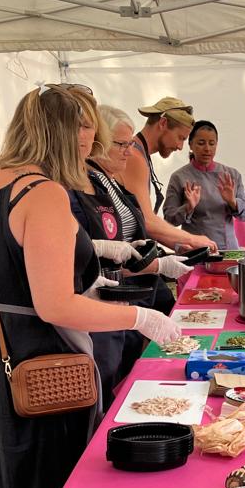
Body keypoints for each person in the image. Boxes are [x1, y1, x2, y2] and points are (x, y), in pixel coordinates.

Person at [0, 85, 181, 488]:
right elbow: (55, 304)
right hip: (38, 353)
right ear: (60, 133)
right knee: (47, 473)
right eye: (83, 129)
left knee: (3, 463)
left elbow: (15, 263)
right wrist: (140, 318)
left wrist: (95, 255)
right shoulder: (43, 192)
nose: (90, 142)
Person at [63, 88, 191, 408]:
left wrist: (147, 254)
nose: (128, 151)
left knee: (121, 379)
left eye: (129, 143)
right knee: (103, 387)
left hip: (123, 297)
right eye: (121, 144)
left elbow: (122, 239)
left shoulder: (105, 181)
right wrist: (157, 264)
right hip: (99, 305)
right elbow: (79, 254)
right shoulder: (73, 186)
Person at [119, 96, 217, 252]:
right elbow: (147, 221)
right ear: (163, 123)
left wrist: (177, 245)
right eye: (180, 138)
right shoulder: (134, 157)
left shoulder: (141, 155)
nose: (180, 147)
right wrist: (192, 239)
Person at [164, 120, 245, 249]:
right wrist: (188, 207)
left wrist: (233, 202)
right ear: (190, 144)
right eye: (201, 143)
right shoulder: (179, 177)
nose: (207, 149)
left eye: (212, 143)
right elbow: (169, 220)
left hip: (229, 251)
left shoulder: (231, 175)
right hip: (196, 251)